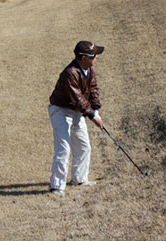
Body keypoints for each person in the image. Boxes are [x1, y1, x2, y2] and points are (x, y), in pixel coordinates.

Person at [48, 40, 105, 196]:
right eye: (94, 56)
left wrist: (96, 109)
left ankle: (79, 179)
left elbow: (93, 88)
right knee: (64, 148)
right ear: (83, 58)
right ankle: (56, 186)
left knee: (83, 146)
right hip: (60, 110)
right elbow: (78, 99)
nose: (96, 58)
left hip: (76, 110)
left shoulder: (89, 68)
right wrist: (93, 116)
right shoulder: (70, 73)